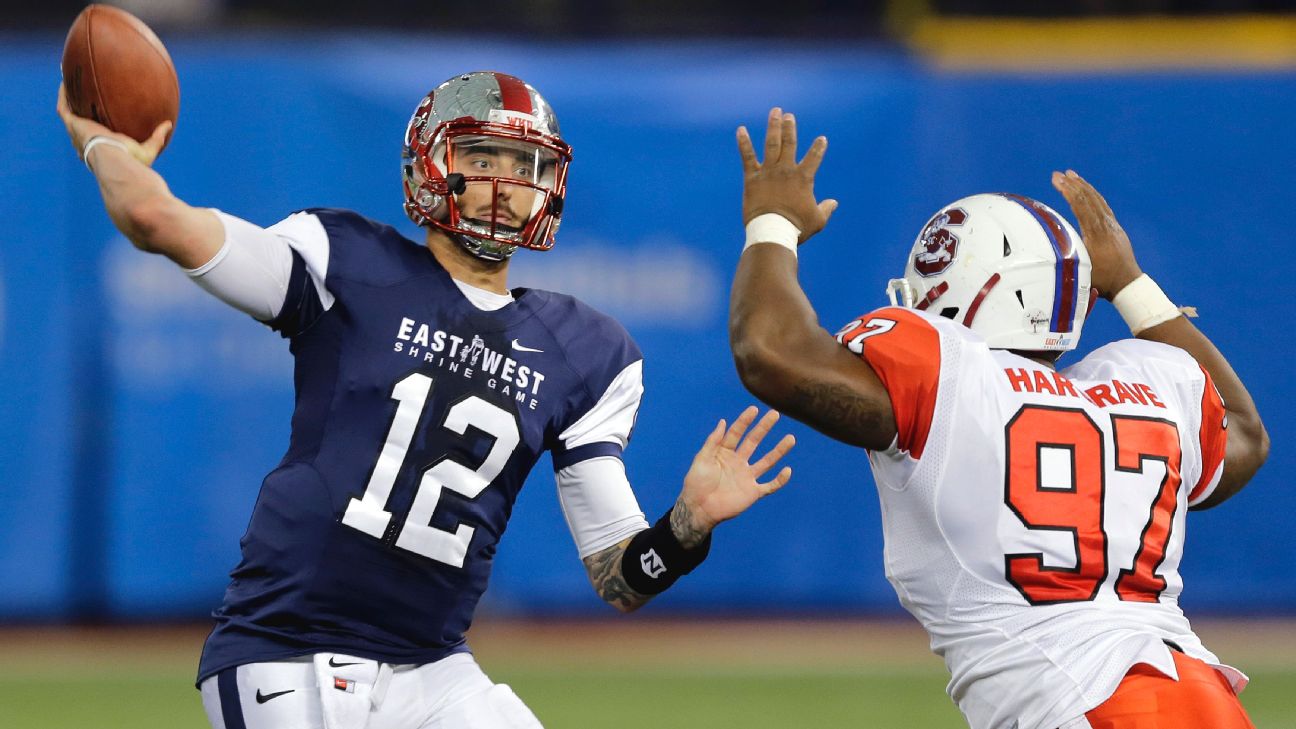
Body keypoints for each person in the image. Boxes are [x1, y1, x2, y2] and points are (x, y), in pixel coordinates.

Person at [57, 72, 795, 729]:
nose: (506, 185)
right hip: (287, 646)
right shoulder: (343, 260)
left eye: (525, 165)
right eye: (482, 160)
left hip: (433, 667)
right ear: (431, 169)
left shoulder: (587, 352)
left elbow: (622, 579)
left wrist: (688, 525)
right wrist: (103, 147)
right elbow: (158, 221)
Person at [728, 108, 1268, 729]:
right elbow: (1245, 436)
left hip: (1082, 708)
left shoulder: (951, 378)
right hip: (1200, 696)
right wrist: (1132, 284)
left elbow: (767, 351)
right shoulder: (1148, 385)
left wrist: (772, 223)